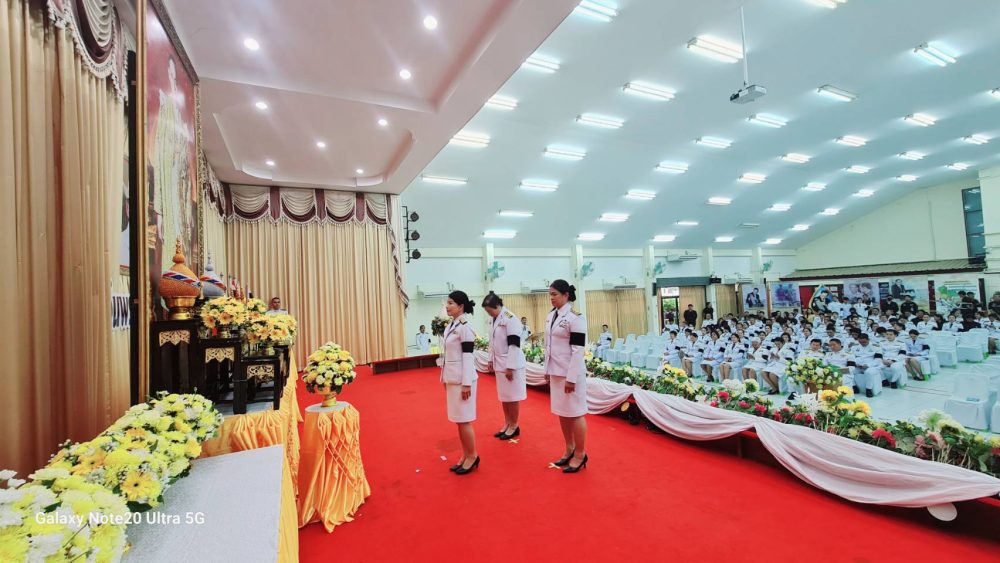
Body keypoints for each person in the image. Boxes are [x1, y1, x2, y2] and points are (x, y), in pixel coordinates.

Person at [544, 279, 589, 473]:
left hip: (571, 374)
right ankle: (569, 449)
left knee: (575, 413)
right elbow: (548, 346)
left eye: (554, 294)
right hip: (556, 372)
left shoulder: (575, 318)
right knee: (562, 413)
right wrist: (547, 370)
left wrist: (571, 378)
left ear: (566, 295)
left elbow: (578, 350)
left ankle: (580, 453)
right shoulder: (551, 316)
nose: (551, 298)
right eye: (550, 294)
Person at [441, 291, 480, 475]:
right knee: (458, 420)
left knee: (464, 420)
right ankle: (465, 454)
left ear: (461, 306)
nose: (447, 306)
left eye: (451, 303)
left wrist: (466, 384)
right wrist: (444, 377)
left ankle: (472, 455)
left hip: (463, 380)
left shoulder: (465, 327)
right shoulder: (452, 324)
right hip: (453, 379)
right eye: (447, 303)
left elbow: (468, 356)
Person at [482, 292, 527, 441]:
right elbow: (492, 342)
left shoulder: (510, 319)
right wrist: (490, 360)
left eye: (490, 310)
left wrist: (510, 367)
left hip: (510, 364)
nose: (488, 314)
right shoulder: (493, 319)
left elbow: (514, 345)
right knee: (504, 397)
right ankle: (507, 423)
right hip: (499, 363)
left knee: (512, 397)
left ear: (497, 306)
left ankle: (514, 425)